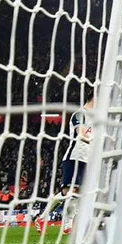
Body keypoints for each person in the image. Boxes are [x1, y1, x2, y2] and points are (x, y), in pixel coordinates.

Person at [35, 92, 94, 235]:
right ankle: (42, 218)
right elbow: (81, 134)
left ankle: (67, 225)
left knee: (77, 193)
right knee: (69, 192)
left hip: (87, 159)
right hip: (75, 157)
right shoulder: (80, 114)